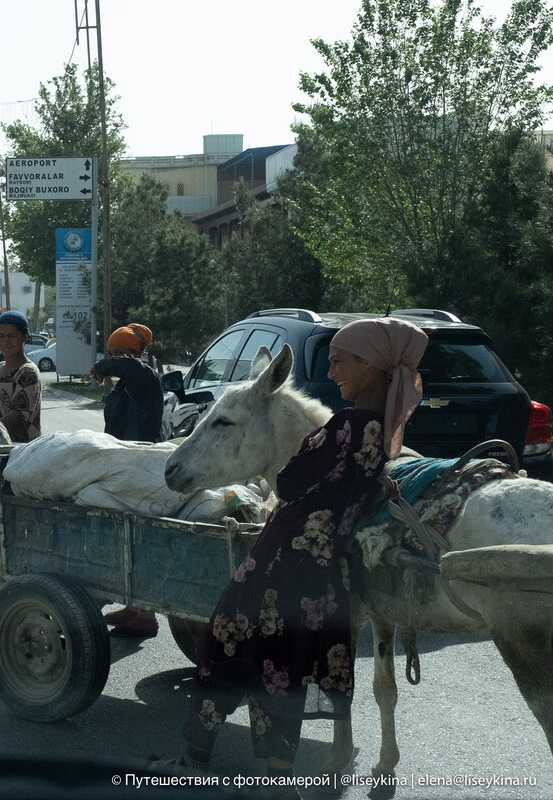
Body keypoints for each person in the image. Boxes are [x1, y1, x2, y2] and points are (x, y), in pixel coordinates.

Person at [152, 317, 428, 784]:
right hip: (324, 581)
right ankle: (281, 783)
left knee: (224, 647)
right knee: (286, 671)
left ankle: (193, 760)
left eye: (342, 361)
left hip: (281, 564)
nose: (334, 370)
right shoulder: (381, 432)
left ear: (372, 365)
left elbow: (292, 481)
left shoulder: (347, 427)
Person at [91, 323, 165, 637]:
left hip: (143, 469)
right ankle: (134, 607)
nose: (117, 358)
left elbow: (130, 367)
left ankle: (146, 616)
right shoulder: (123, 386)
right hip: (124, 468)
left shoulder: (146, 377)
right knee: (127, 541)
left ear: (136, 355)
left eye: (124, 352)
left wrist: (104, 364)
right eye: (112, 352)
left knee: (141, 542)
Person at [0, 310, 41, 443]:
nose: (5, 341)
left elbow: (18, 417)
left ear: (24, 337)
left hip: (19, 450)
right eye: (1, 336)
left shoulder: (27, 372)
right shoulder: (0, 367)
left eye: (12, 336)